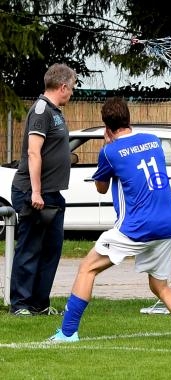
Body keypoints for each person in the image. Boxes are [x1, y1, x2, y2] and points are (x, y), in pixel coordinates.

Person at [47, 97, 171, 343]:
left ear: (105, 127)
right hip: (170, 224)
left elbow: (101, 188)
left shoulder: (109, 151)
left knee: (87, 268)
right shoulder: (152, 141)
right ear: (129, 118)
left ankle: (67, 333)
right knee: (159, 286)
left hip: (138, 226)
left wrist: (107, 149)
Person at [9, 63, 77, 316]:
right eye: (71, 88)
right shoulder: (41, 110)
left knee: (51, 249)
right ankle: (21, 304)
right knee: (30, 248)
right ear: (62, 86)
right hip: (34, 193)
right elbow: (33, 152)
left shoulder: (56, 111)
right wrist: (35, 192)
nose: (72, 93)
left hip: (53, 193)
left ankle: (40, 304)